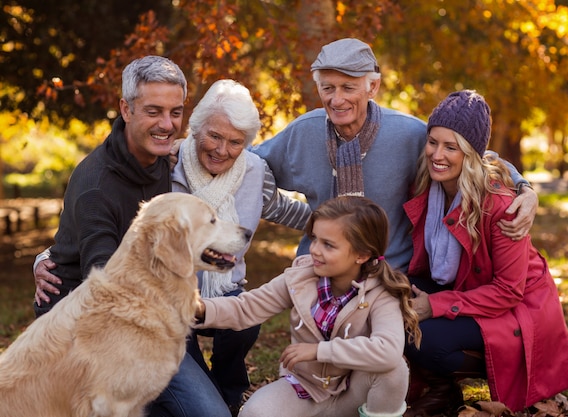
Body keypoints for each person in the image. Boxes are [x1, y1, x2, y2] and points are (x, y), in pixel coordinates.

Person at [31, 57, 234, 417]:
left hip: (153, 319)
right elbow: (108, 290)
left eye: (176, 112)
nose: (167, 124)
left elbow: (235, 151)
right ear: (126, 108)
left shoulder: (162, 158)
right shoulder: (96, 186)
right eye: (153, 111)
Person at [250, 38, 538, 274]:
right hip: (316, 268)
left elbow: (472, 154)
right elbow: (250, 164)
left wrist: (524, 188)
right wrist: (301, 218)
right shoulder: (303, 132)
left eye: (348, 87)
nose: (336, 100)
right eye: (328, 88)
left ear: (372, 87)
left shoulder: (409, 133)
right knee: (306, 343)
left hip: (390, 274)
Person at [402, 90, 568, 416]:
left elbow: (510, 290)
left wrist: (435, 305)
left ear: (470, 153)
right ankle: (443, 390)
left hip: (515, 310)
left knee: (421, 337)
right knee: (392, 301)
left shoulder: (499, 206)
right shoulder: (429, 188)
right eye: (432, 142)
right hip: (467, 291)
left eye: (451, 147)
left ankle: (467, 375)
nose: (437, 154)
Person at [151, 79, 311, 417]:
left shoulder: (254, 171)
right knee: (192, 380)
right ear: (196, 129)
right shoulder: (166, 165)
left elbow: (281, 208)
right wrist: (49, 255)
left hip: (225, 288)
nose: (222, 150)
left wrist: (335, 223)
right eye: (215, 136)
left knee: (245, 322)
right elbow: (117, 215)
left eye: (235, 141)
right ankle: (199, 391)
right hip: (169, 295)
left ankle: (229, 390)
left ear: (246, 143)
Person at [193, 196, 421, 417]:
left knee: (394, 370)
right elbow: (247, 307)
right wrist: (199, 308)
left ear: (362, 255)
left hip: (355, 393)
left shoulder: (382, 293)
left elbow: (388, 350)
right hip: (305, 389)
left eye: (328, 245)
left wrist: (318, 351)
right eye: (314, 239)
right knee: (255, 413)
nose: (314, 250)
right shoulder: (300, 279)